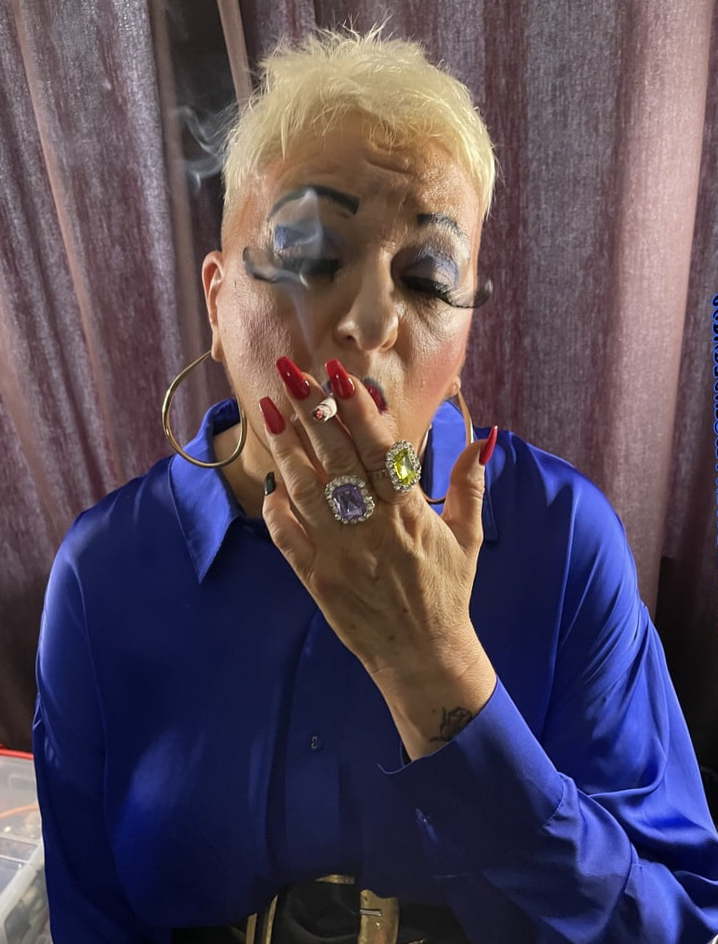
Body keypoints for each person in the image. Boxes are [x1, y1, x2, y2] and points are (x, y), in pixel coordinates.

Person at [32, 21, 718, 944]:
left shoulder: (560, 539)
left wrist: (437, 669)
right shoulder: (108, 569)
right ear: (219, 300)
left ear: (464, 330)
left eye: (427, 278)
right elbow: (92, 914)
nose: (371, 320)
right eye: (313, 257)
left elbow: (673, 921)